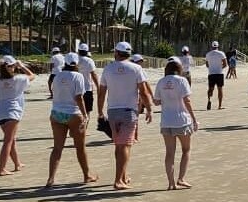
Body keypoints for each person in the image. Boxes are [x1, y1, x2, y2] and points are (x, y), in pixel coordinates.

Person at [97, 42, 153, 190]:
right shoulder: (136, 68)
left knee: (119, 146)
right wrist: (149, 109)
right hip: (129, 111)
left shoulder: (108, 69)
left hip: (113, 111)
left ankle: (123, 176)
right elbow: (144, 91)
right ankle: (118, 180)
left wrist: (99, 111)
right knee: (126, 146)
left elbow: (101, 92)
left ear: (116, 52)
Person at [46, 52, 98, 187]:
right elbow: (79, 97)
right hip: (73, 114)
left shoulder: (57, 76)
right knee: (80, 147)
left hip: (57, 113)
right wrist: (85, 114)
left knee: (57, 148)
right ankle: (87, 175)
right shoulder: (78, 76)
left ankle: (50, 179)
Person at [154, 57, 198, 190]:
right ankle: (181, 178)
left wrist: (167, 100)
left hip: (166, 121)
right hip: (181, 120)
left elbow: (156, 101)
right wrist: (194, 119)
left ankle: (171, 183)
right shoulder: (182, 80)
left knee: (169, 153)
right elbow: (187, 101)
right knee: (186, 150)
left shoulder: (161, 82)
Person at [0, 56, 35, 176]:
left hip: (1, 112)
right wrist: (22, 66)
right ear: (11, 66)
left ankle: (17, 163)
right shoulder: (18, 79)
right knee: (8, 141)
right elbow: (32, 75)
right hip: (12, 111)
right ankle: (2, 168)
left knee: (11, 139)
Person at [77, 43, 99, 122]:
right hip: (87, 89)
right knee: (87, 111)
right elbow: (94, 74)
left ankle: (76, 130)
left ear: (78, 51)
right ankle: (84, 130)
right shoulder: (89, 61)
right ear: (87, 52)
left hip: (75, 89)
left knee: (76, 110)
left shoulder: (75, 59)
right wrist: (98, 86)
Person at [205, 41, 228, 110]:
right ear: (218, 46)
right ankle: (219, 105)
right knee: (220, 89)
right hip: (219, 73)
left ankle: (209, 100)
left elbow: (207, 64)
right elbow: (225, 64)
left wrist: (211, 68)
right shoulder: (221, 53)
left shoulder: (208, 54)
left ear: (212, 46)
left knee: (210, 88)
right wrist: (220, 68)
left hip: (211, 73)